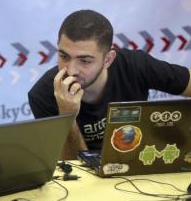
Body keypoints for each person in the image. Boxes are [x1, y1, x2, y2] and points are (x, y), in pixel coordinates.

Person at [28, 9, 191, 159]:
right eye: (64, 56)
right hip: (88, 182)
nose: (71, 71)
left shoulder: (135, 65)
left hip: (139, 164)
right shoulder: (43, 94)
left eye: (85, 61)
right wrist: (67, 117)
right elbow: (72, 168)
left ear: (107, 60)